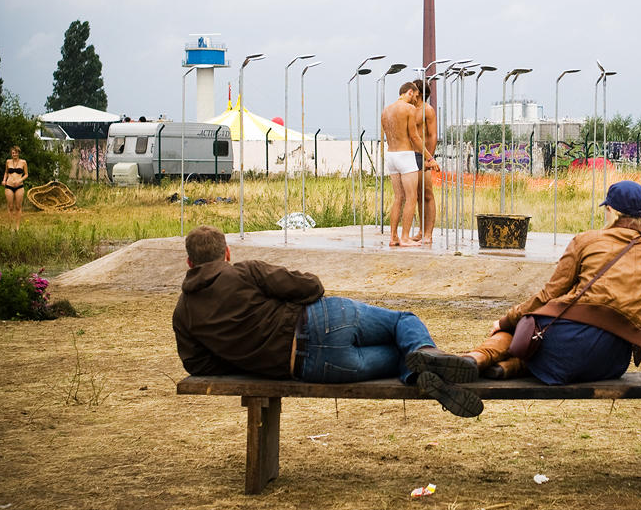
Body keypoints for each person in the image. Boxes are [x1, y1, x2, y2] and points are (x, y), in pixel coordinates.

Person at [172, 225, 483, 417]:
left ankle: (422, 376)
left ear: (189, 262)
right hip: (321, 319)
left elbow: (198, 366)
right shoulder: (245, 271)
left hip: (311, 367)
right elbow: (311, 286)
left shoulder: (183, 314)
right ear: (227, 252)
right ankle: (428, 354)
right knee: (403, 321)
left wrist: (247, 357)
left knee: (396, 356)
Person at [461, 180, 641, 384]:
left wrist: (505, 320)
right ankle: (509, 368)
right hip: (610, 359)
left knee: (525, 328)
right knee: (553, 355)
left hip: (564, 340)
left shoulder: (586, 240)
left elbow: (549, 294)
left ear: (611, 211)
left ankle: (475, 358)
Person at [381, 82, 437, 247]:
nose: (415, 99)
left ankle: (393, 237)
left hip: (391, 155)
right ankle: (405, 237)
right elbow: (414, 137)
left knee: (399, 198)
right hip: (406, 156)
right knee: (412, 198)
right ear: (410, 92)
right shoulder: (409, 109)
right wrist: (430, 158)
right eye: (414, 95)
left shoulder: (386, 110)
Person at [412, 79, 439, 244]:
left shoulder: (427, 110)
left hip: (423, 156)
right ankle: (421, 230)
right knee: (416, 196)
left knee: (427, 194)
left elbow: (432, 135)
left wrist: (429, 158)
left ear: (420, 93)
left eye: (413, 90)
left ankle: (428, 233)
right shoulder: (409, 109)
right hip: (410, 156)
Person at [1, 145, 28, 232]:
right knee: (10, 206)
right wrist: (4, 180)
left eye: (16, 152)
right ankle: (10, 226)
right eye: (13, 153)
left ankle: (17, 227)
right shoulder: (8, 162)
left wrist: (20, 180)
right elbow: (6, 172)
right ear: (11, 154)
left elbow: (26, 174)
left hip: (19, 186)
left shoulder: (23, 162)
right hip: (9, 185)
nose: (14, 154)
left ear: (18, 153)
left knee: (18, 206)